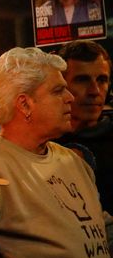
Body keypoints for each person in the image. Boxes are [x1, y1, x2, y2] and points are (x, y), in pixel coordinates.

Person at [0, 47, 110, 258]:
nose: (70, 98)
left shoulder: (73, 160)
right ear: (24, 104)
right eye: (58, 91)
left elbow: (101, 227)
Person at [54, 40, 112, 215]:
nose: (95, 91)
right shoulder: (40, 143)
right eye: (82, 80)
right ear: (60, 86)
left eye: (102, 80)